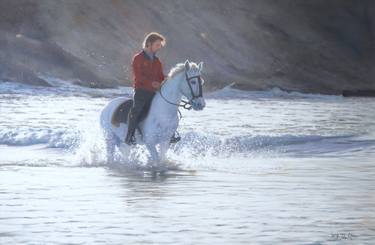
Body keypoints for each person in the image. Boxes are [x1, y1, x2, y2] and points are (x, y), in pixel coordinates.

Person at [125, 32, 181, 145]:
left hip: (154, 91)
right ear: (149, 43)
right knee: (136, 110)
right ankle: (129, 136)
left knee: (167, 107)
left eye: (160, 45)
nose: (159, 47)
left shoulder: (157, 61)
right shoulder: (138, 58)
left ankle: (170, 134)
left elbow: (160, 77)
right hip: (141, 91)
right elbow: (138, 76)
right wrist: (152, 83)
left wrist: (169, 80)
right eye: (157, 44)